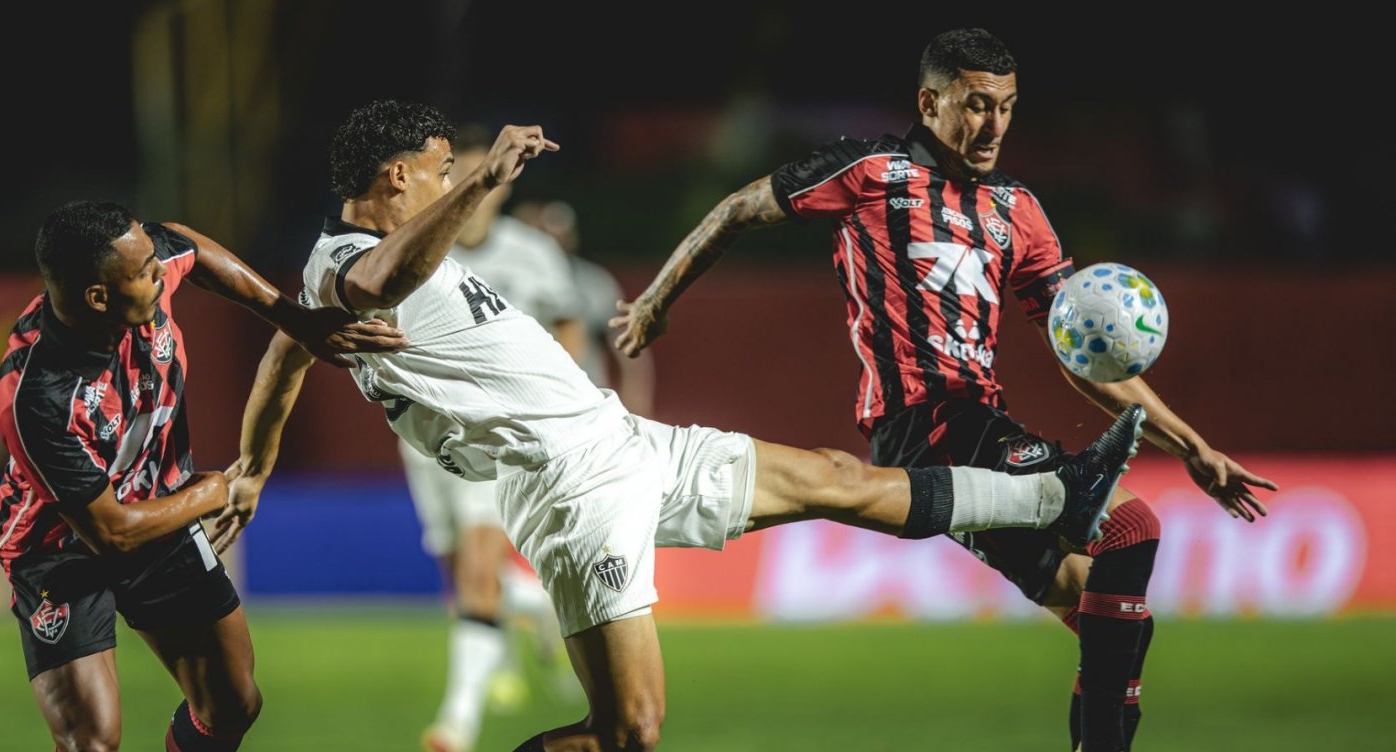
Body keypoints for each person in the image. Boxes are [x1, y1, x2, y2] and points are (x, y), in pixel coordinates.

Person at [220, 99, 1144, 752]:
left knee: (837, 477)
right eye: (440, 171)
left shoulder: (351, 282)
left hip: (620, 441)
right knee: (631, 731)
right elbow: (374, 288)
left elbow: (283, 357)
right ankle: (1051, 492)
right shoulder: (344, 263)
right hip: (568, 490)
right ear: (397, 178)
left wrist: (255, 465)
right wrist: (484, 179)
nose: (457, 182)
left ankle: (1058, 491)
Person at [611, 28, 1279, 752]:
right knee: (1133, 527)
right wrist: (653, 302)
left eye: (1008, 107)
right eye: (976, 105)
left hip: (978, 422)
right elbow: (737, 209)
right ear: (930, 101)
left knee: (1109, 616)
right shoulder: (870, 171)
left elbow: (1079, 354)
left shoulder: (1017, 210)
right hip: (925, 420)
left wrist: (1191, 445)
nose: (993, 125)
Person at [0, 201, 406, 751]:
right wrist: (211, 491)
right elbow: (109, 531)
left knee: (233, 703)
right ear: (99, 297)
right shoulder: (38, 396)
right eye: (145, 273)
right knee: (90, 743)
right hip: (62, 551)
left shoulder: (137, 268)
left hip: (159, 513)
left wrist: (294, 318)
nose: (162, 271)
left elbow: (187, 244)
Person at [402, 124, 581, 752]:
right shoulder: (419, 250)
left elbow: (568, 331)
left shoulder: (533, 253)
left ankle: (456, 725)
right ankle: (533, 603)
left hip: (498, 431)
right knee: (460, 573)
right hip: (424, 432)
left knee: (477, 573)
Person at [514, 199, 655, 417]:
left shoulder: (592, 281)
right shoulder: (506, 277)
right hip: (521, 397)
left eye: (557, 233)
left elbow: (628, 344)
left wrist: (636, 396)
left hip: (586, 397)